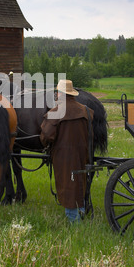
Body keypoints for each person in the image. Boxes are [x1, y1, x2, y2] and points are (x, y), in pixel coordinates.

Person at [40, 80, 94, 223]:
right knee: (80, 181)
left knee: (67, 184)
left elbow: (46, 136)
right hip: (83, 155)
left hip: (63, 156)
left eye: (57, 92)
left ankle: (74, 220)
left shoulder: (56, 112)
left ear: (61, 94)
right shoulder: (86, 110)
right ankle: (81, 211)